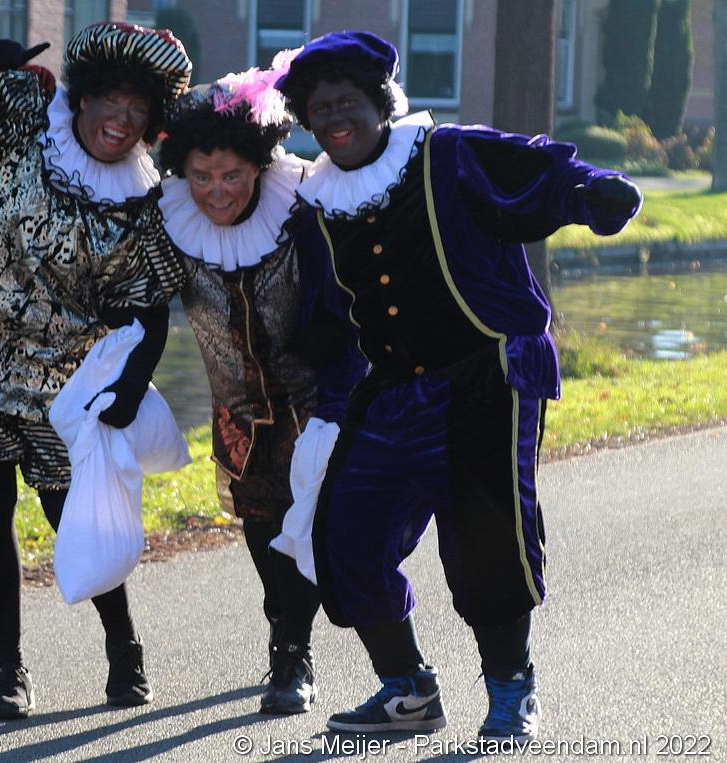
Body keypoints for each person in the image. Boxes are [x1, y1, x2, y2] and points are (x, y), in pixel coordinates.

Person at [273, 31, 642, 740]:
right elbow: (329, 312)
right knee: (343, 532)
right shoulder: (319, 203)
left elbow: (538, 171)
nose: (334, 118)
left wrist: (591, 192)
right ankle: (408, 691)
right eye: (320, 109)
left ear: (380, 103)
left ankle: (511, 690)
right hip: (391, 388)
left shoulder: (446, 154)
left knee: (486, 538)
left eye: (347, 102)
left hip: (488, 372)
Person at [0, 23, 191, 719]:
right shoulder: (22, 126)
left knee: (74, 513)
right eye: (111, 100)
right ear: (83, 97)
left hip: (58, 380)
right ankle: (8, 669)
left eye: (138, 110)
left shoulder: (142, 206)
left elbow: (149, 309)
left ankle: (124, 647)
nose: (121, 120)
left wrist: (130, 384)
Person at [156, 64, 325, 714]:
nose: (216, 190)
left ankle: (294, 652)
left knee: (304, 522)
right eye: (201, 176)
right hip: (236, 403)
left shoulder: (302, 203)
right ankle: (282, 626)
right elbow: (131, 293)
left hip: (312, 396)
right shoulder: (171, 220)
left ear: (257, 164)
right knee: (259, 523)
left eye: (230, 174)